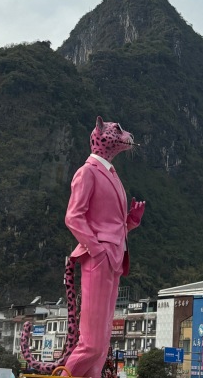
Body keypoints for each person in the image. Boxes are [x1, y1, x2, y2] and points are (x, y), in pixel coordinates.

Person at [64, 116, 145, 378]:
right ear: (100, 134)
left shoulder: (112, 174)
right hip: (99, 258)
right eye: (117, 131)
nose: (124, 135)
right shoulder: (87, 172)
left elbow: (111, 224)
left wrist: (131, 221)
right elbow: (73, 217)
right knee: (91, 344)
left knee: (102, 342)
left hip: (114, 259)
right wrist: (96, 249)